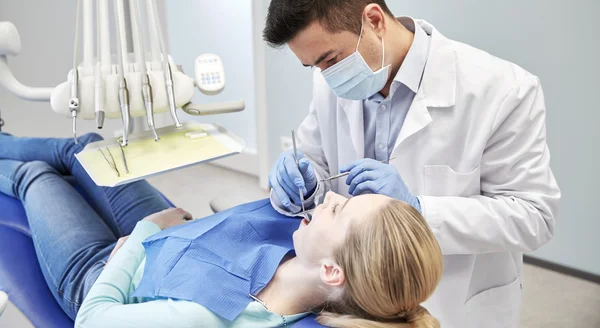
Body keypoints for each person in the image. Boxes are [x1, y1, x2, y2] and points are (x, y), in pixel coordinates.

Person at [265, 0, 561, 327]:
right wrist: (298, 176)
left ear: (373, 21)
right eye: (315, 67)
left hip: (456, 300)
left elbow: (535, 217)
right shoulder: (331, 82)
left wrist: (420, 209)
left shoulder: (503, 90)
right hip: (357, 300)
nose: (326, 76)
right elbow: (315, 157)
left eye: (330, 59)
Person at [0, 132, 443, 328]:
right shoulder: (308, 262)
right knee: (90, 150)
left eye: (339, 210)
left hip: (106, 273)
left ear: (332, 272)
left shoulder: (210, 316)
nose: (328, 198)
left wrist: (141, 235)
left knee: (35, 176)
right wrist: (283, 189)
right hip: (178, 240)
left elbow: (91, 321)